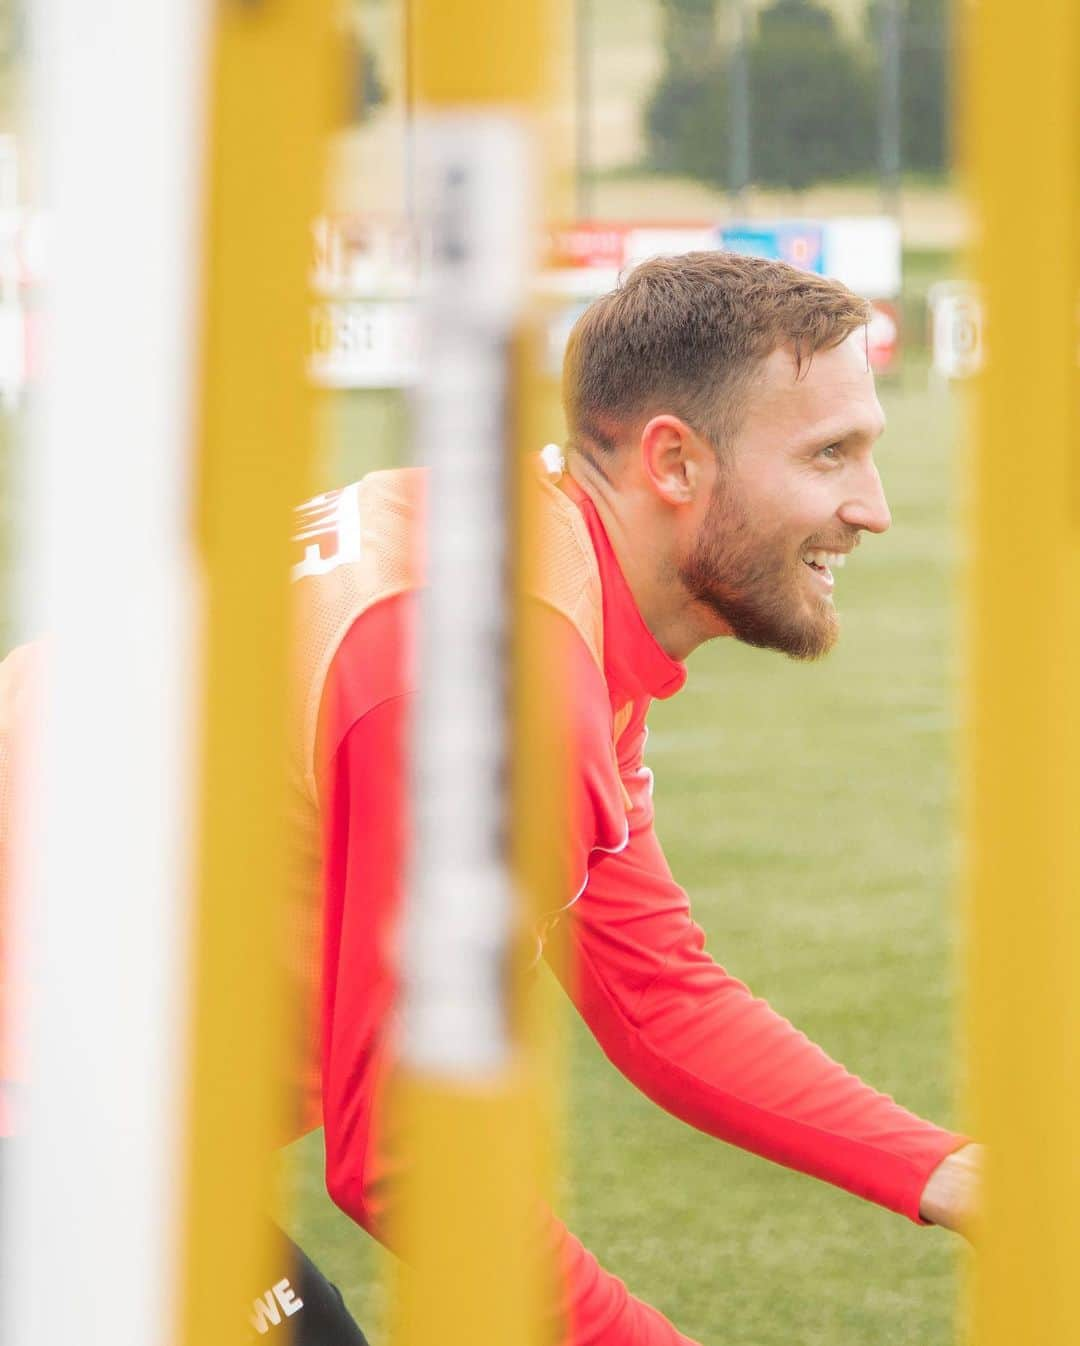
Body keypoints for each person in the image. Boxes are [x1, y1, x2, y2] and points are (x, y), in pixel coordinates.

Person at [285, 251, 980, 1346]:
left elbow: (655, 990)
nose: (873, 508)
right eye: (829, 454)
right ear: (674, 462)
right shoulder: (496, 667)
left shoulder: (541, 568)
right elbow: (400, 1151)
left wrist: (950, 1171)